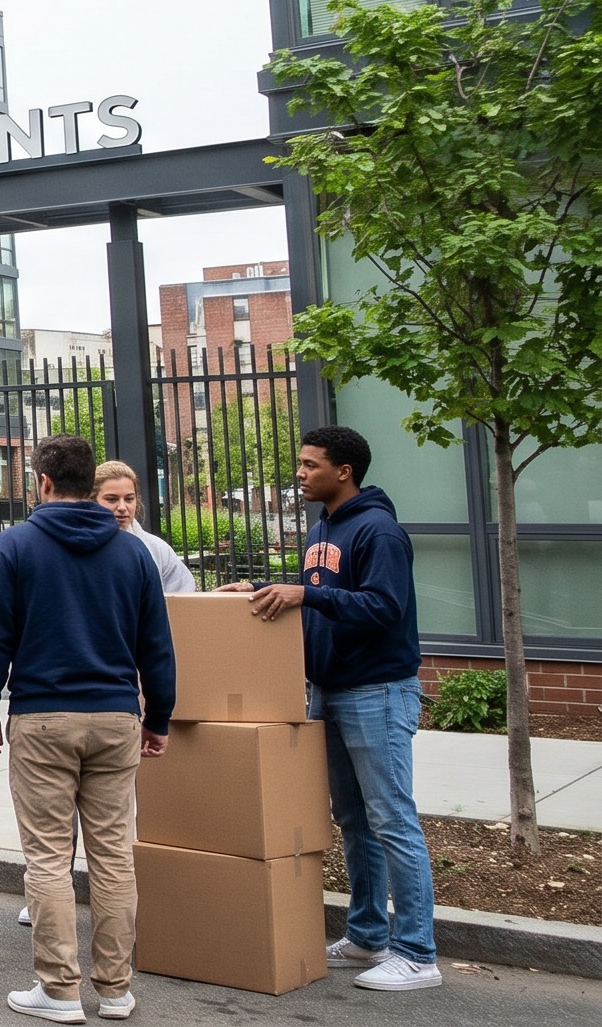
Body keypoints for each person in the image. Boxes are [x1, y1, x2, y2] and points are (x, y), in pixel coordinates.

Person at [225, 426, 438, 993]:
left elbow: (383, 607)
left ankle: (418, 954)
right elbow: (319, 598)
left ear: (343, 471)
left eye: (309, 464)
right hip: (330, 690)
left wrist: (306, 594)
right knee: (353, 819)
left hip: (376, 692)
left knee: (393, 818)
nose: (299, 472)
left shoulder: (379, 530)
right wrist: (266, 590)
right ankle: (368, 933)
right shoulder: (324, 528)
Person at [0, 434, 175, 1024]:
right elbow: (156, 648)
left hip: (43, 717)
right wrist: (158, 716)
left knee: (48, 858)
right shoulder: (132, 553)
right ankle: (115, 990)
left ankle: (59, 990)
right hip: (116, 717)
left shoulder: (15, 546)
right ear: (92, 484)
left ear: (41, 481)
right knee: (114, 855)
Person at [98, 460, 192, 596]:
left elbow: (184, 601)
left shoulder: (157, 548)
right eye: (112, 499)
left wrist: (212, 598)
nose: (122, 507)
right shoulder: (77, 546)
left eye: (129, 499)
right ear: (92, 501)